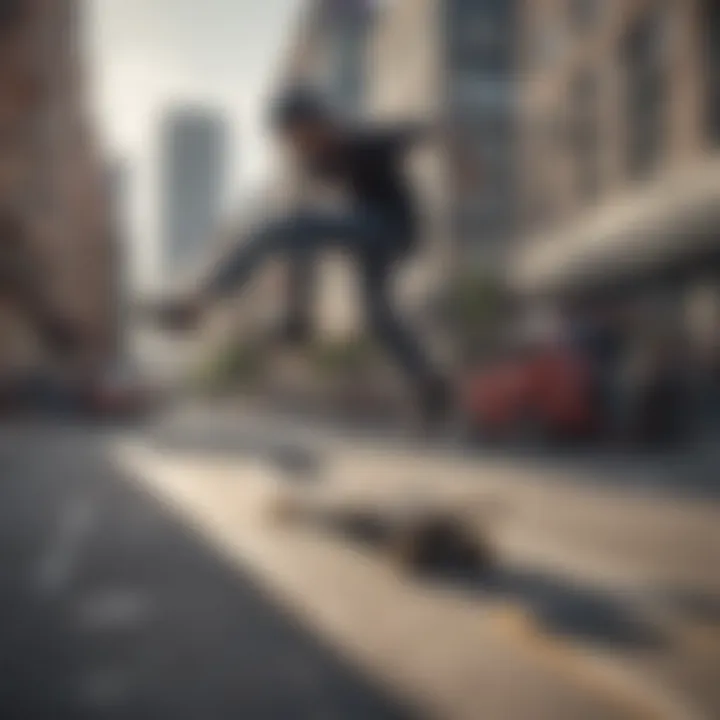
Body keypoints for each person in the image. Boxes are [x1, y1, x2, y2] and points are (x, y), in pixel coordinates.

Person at [181, 87, 450, 428]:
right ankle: (429, 384)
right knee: (377, 315)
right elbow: (301, 234)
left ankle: (201, 299)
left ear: (316, 124)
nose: (298, 147)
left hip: (391, 227)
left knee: (277, 230)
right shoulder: (314, 162)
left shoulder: (365, 141)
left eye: (299, 137)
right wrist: (295, 311)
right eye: (291, 142)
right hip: (368, 242)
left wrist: (463, 160)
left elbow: (430, 129)